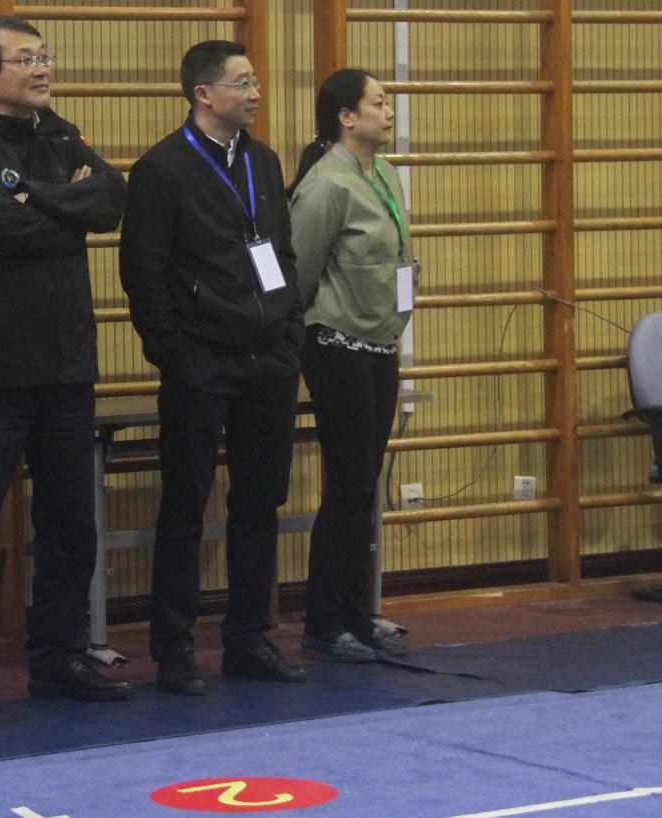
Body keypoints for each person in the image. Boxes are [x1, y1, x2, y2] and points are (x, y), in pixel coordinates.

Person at [0, 14, 131, 721]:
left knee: (71, 524)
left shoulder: (58, 131)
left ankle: (59, 657)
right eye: (25, 59)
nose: (42, 69)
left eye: (45, 56)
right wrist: (65, 213)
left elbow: (111, 199)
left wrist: (37, 197)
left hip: (66, 364)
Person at [120, 40, 307, 695]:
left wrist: (288, 331)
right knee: (185, 504)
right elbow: (143, 273)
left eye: (255, 82)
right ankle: (174, 647)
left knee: (260, 501)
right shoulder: (162, 169)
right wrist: (177, 356)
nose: (255, 93)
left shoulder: (263, 160)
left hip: (268, 359)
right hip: (201, 362)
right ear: (203, 93)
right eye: (242, 83)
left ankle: (249, 638)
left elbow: (281, 251)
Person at [287, 69, 416, 662]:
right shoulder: (325, 185)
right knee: (347, 485)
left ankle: (359, 611)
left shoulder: (382, 173)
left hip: (380, 344)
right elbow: (299, 275)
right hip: (336, 345)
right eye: (378, 102)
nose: (388, 111)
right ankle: (325, 619)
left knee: (366, 484)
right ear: (346, 117)